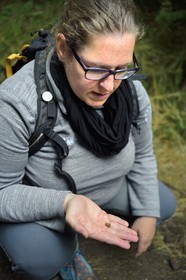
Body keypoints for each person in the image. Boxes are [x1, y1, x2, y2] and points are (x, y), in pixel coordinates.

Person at [0, 0, 176, 279]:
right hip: (50, 199)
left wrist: (148, 212)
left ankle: (94, 219)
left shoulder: (132, 93)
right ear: (64, 49)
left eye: (122, 68)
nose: (109, 85)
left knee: (163, 204)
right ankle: (61, 243)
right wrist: (66, 204)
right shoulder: (16, 103)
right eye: (96, 69)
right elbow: (2, 190)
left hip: (106, 187)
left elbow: (143, 154)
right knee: (39, 259)